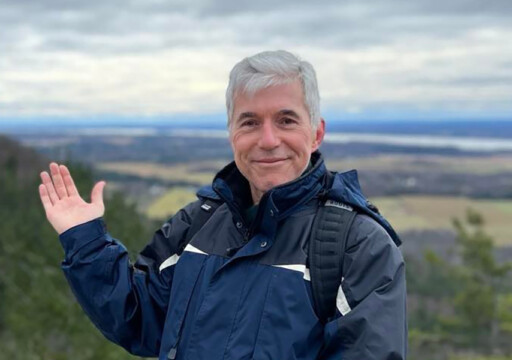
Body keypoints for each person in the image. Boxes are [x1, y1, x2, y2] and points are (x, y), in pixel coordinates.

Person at [39, 50, 407, 360]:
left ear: (316, 133)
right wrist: (84, 240)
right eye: (250, 122)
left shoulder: (357, 245)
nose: (268, 139)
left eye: (286, 120)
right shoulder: (200, 222)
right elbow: (139, 319)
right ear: (231, 133)